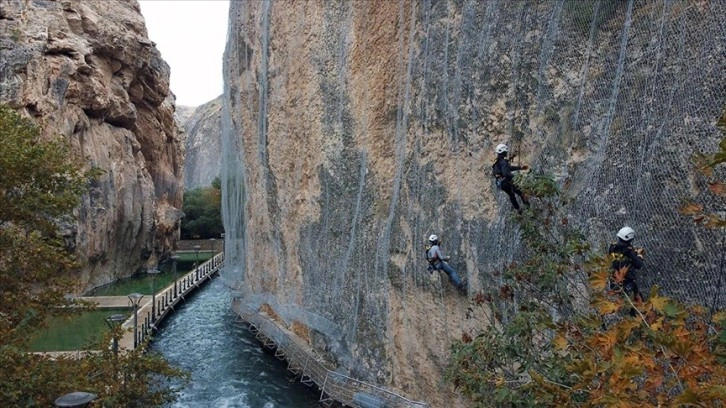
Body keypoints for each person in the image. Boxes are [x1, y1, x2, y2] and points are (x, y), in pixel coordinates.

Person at [608, 226, 645, 316]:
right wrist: (639, 256)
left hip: (615, 280)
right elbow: (638, 265)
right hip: (627, 281)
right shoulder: (628, 251)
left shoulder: (612, 246)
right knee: (636, 301)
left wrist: (633, 252)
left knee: (622, 302)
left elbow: (622, 256)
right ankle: (637, 318)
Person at [491, 143, 529, 214]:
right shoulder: (503, 162)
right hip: (505, 181)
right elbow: (506, 173)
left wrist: (520, 168)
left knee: (511, 194)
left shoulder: (497, 162)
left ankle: (518, 209)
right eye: (506, 152)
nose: (506, 153)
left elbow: (508, 168)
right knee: (520, 191)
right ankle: (528, 206)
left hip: (500, 183)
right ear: (504, 152)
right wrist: (515, 178)